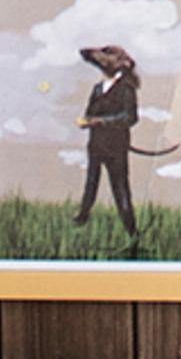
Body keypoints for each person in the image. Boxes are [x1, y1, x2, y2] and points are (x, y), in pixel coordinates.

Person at [73, 43, 143, 239]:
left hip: (115, 147)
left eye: (108, 53)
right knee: (91, 184)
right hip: (95, 145)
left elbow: (130, 117)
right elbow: (90, 113)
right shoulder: (98, 89)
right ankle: (81, 219)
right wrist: (87, 121)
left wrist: (100, 122)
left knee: (120, 189)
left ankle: (132, 231)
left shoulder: (126, 87)